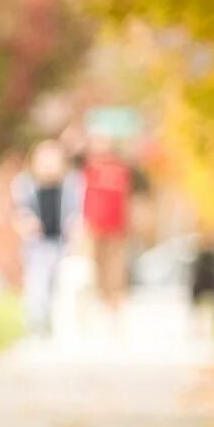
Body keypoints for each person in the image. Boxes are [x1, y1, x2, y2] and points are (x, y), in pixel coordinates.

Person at [10, 139, 83, 337]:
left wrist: (75, 227)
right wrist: (27, 222)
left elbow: (77, 211)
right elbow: (19, 211)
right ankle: (37, 322)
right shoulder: (24, 184)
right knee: (37, 282)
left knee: (61, 285)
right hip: (38, 244)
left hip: (63, 243)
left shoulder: (72, 184)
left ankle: (59, 323)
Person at [82, 133, 133, 319]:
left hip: (116, 229)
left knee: (115, 271)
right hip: (93, 228)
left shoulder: (120, 170)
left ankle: (114, 309)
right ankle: (96, 305)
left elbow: (126, 199)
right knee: (92, 268)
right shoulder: (89, 169)